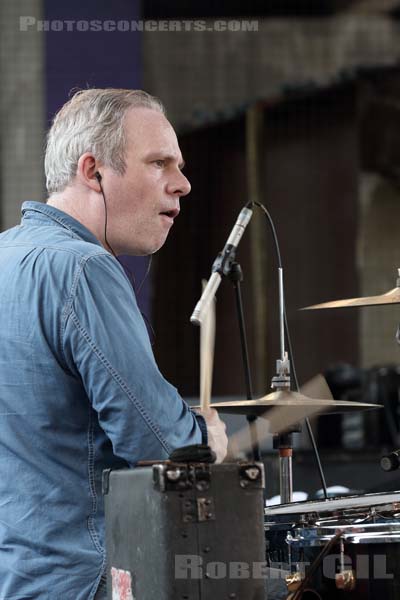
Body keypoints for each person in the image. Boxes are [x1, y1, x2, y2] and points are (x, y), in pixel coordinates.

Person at [0, 89, 228, 600]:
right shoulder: (84, 269)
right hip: (90, 580)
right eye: (159, 163)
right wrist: (207, 438)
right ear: (93, 171)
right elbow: (162, 447)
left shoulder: (4, 258)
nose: (183, 184)